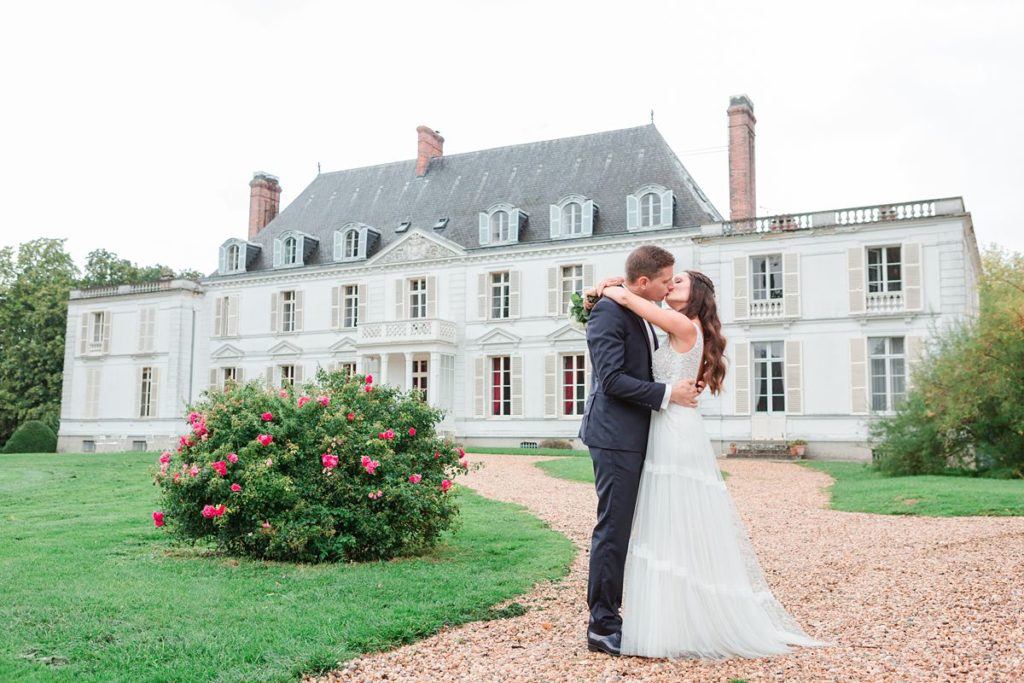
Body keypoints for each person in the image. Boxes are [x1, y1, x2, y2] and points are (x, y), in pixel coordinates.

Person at [594, 268, 829, 659]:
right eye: (668, 282)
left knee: (671, 524)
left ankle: (678, 621)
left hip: (673, 430)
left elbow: (630, 300)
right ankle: (678, 616)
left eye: (678, 282)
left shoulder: (683, 325)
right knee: (672, 523)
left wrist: (611, 288)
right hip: (670, 423)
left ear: (697, 294)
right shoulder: (683, 326)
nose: (669, 287)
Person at [578, 245, 703, 657]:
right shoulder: (608, 312)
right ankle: (602, 624)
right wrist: (669, 392)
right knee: (613, 529)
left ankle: (628, 612)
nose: (670, 286)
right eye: (667, 279)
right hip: (615, 435)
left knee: (630, 528)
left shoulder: (641, 309)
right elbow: (611, 380)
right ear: (646, 281)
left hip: (641, 432)